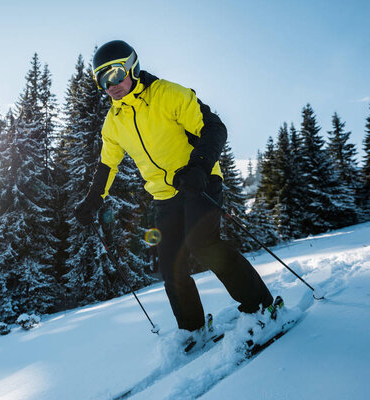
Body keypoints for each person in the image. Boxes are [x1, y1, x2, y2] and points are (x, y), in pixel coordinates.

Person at [74, 40, 276, 341]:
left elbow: (214, 128)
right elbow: (107, 166)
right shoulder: (113, 123)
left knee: (203, 244)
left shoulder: (167, 94)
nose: (111, 85)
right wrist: (92, 200)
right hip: (164, 195)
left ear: (132, 67)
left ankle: (261, 308)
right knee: (170, 265)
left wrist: (199, 167)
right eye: (102, 80)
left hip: (199, 181)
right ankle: (193, 329)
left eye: (115, 74)